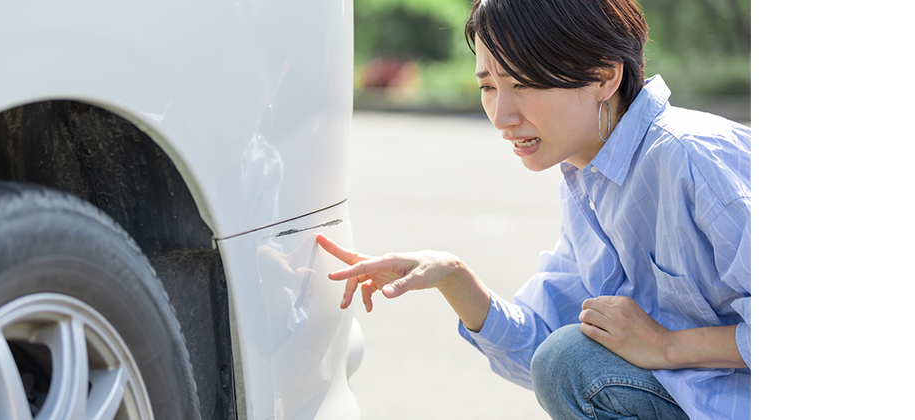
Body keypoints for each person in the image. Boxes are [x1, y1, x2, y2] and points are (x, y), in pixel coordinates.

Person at [317, 0, 750, 418]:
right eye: (488, 86)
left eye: (524, 83)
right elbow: (543, 351)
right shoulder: (588, 177)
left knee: (572, 360)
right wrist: (453, 277)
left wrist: (668, 346)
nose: (501, 115)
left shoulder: (693, 158)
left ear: (603, 77)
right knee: (568, 358)